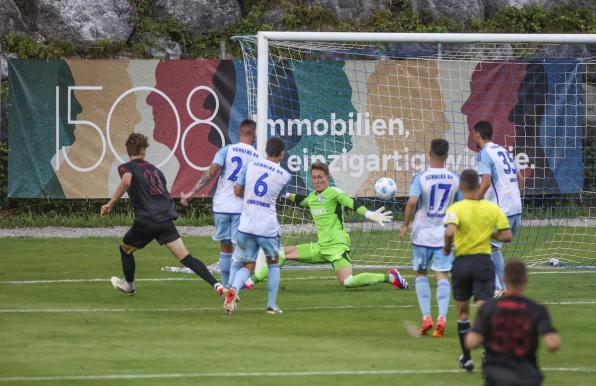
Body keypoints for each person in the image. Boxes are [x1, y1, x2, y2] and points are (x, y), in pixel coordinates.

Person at [249, 161, 409, 291]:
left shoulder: (334, 193)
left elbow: (352, 203)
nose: (317, 181)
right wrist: (276, 190)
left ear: (327, 178)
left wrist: (369, 214)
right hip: (320, 247)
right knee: (282, 253)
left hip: (337, 247)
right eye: (314, 177)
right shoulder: (312, 198)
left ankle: (391, 277)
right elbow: (298, 199)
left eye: (320, 177)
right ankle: (249, 282)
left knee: (348, 282)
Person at [101, 133, 223, 296]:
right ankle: (218, 286)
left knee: (125, 249)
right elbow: (163, 193)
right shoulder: (156, 171)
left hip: (146, 220)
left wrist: (110, 204)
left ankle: (129, 286)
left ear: (129, 151)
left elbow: (126, 181)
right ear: (143, 150)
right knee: (186, 258)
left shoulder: (126, 167)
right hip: (165, 220)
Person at [443, 169, 512, 372]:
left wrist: (447, 247)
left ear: (462, 187)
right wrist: (489, 234)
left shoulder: (456, 208)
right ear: (478, 185)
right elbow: (507, 235)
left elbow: (449, 232)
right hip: (483, 263)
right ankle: (488, 354)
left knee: (462, 313)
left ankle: (466, 358)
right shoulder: (491, 209)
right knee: (484, 310)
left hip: (462, 264)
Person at [180, 119, 260, 288]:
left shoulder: (227, 150)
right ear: (255, 135)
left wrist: (191, 193)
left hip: (221, 206)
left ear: (239, 133)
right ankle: (233, 288)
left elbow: (211, 173)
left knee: (224, 248)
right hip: (241, 208)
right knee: (239, 251)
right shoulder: (257, 157)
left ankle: (225, 286)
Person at [399, 139, 462, 337]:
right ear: (446, 156)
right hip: (444, 235)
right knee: (442, 275)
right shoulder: (454, 179)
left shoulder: (422, 178)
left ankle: (427, 317)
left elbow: (412, 202)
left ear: (429, 154)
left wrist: (405, 224)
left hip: (422, 235)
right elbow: (461, 205)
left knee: (421, 274)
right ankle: (442, 317)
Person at [224, 137, 291, 315]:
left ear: (266, 150)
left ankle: (233, 289)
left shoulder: (251, 165)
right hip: (267, 228)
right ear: (282, 154)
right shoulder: (284, 175)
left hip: (246, 225)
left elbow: (237, 190)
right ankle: (271, 305)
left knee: (247, 265)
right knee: (273, 264)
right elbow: (278, 196)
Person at [465, 261, 561, 385]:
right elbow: (553, 344)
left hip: (496, 377)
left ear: (504, 279)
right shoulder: (536, 309)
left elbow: (471, 342)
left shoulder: (489, 308)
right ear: (526, 280)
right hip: (527, 377)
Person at [473, 121, 524, 296]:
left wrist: (474, 201)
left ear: (478, 135)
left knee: (483, 245)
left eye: (474, 134)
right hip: (517, 208)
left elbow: (486, 182)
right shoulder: (504, 151)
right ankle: (503, 287)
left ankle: (498, 288)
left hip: (503, 210)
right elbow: (521, 180)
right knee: (491, 247)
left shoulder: (483, 155)